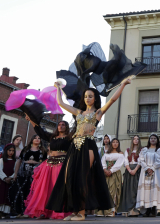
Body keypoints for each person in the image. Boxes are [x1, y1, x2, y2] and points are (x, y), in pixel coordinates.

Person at [46, 79, 131, 221]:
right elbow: (61, 103)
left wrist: (123, 84)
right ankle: (75, 211)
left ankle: (82, 213)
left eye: (90, 96)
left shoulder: (98, 112)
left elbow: (113, 99)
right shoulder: (79, 112)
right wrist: (58, 88)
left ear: (95, 98)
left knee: (82, 178)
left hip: (88, 145)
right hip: (75, 145)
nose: (88, 98)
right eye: (86, 96)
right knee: (69, 177)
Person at [23, 118, 72, 220]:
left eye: (63, 124)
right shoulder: (52, 137)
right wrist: (32, 120)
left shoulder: (69, 138)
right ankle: (43, 212)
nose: (61, 126)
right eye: (59, 124)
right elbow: (40, 131)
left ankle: (57, 211)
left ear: (66, 127)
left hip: (62, 163)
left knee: (57, 187)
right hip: (49, 164)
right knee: (45, 188)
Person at [9, 134, 47, 218]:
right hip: (23, 172)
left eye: (39, 138)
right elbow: (19, 161)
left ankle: (29, 212)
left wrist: (36, 164)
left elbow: (45, 163)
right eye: (35, 138)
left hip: (36, 174)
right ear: (32, 139)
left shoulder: (43, 150)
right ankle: (20, 212)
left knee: (32, 192)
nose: (37, 139)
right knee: (20, 191)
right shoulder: (26, 149)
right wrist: (15, 173)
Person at [135, 134, 160, 217]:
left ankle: (153, 210)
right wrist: (147, 168)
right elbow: (141, 160)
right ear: (149, 140)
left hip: (156, 172)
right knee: (146, 191)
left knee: (154, 190)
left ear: (157, 140)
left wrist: (152, 168)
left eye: (155, 138)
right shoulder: (144, 149)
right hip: (145, 172)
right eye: (151, 138)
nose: (153, 140)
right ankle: (147, 210)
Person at [99, 138, 124, 217]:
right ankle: (102, 211)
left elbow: (119, 164)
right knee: (105, 190)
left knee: (113, 190)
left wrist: (111, 171)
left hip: (115, 173)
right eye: (114, 142)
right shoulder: (106, 153)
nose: (115, 143)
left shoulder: (120, 153)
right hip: (106, 173)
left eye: (117, 142)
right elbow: (103, 161)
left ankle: (111, 210)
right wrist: (105, 170)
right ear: (111, 144)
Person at [118, 135, 142, 217]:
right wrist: (129, 170)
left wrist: (135, 170)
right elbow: (125, 161)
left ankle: (135, 210)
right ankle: (127, 210)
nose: (136, 140)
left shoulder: (141, 150)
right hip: (129, 171)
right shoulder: (128, 150)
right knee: (128, 190)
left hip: (137, 170)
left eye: (137, 139)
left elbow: (140, 161)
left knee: (135, 189)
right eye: (134, 139)